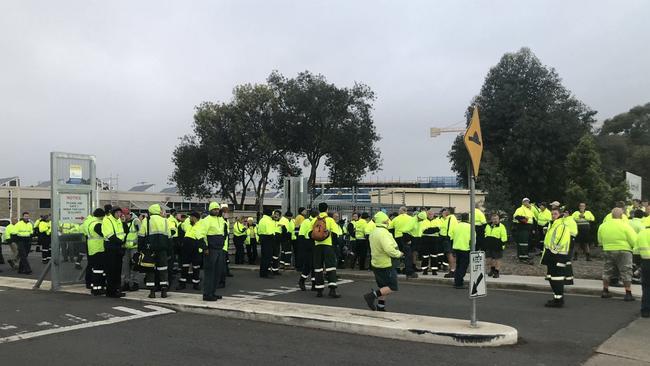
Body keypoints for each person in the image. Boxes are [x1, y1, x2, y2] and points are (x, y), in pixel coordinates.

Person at [363, 211, 404, 311]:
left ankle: (381, 306)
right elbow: (389, 249)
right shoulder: (384, 233)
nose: (388, 221)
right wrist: (399, 254)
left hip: (376, 263)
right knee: (392, 287)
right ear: (384, 221)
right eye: (387, 220)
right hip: (386, 263)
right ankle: (371, 296)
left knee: (383, 287)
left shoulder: (373, 232)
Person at [598, 208, 637, 301]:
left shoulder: (603, 226)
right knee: (626, 270)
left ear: (611, 215)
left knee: (607, 270)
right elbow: (634, 240)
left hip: (608, 249)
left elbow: (600, 240)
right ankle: (628, 293)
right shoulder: (625, 225)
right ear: (622, 215)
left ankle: (605, 290)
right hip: (624, 251)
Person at [138, 204, 172, 299]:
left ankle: (152, 291)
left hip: (150, 249)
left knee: (150, 270)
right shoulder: (165, 220)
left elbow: (141, 235)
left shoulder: (146, 220)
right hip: (163, 249)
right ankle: (164, 290)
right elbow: (169, 237)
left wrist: (140, 249)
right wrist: (170, 251)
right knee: (163, 269)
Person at [307, 202, 341, 298]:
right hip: (328, 246)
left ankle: (319, 290)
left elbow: (310, 234)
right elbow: (335, 234)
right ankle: (332, 289)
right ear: (327, 209)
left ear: (319, 209)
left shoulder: (314, 220)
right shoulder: (330, 220)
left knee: (318, 268)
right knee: (330, 267)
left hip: (317, 246)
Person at [541, 207, 572, 308]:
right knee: (552, 278)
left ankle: (559, 300)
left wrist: (554, 250)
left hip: (558, 255)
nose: (553, 216)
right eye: (552, 214)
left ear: (560, 214)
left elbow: (560, 240)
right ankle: (556, 298)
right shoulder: (553, 225)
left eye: (555, 214)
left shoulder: (562, 225)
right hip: (552, 254)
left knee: (557, 278)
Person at [196, 202, 226, 300]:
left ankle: (212, 292)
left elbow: (224, 232)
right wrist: (205, 248)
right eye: (214, 209)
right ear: (210, 210)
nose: (216, 211)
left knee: (217, 272)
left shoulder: (221, 220)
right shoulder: (206, 220)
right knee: (209, 273)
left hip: (219, 249)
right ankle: (207, 294)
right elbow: (200, 234)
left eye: (217, 209)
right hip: (210, 250)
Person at [102, 207, 126, 298]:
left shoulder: (119, 220)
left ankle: (117, 289)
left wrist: (123, 222)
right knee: (111, 270)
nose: (119, 214)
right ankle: (111, 291)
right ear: (113, 213)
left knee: (117, 270)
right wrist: (121, 242)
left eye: (120, 212)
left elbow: (124, 232)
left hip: (118, 247)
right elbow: (110, 235)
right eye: (117, 213)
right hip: (111, 247)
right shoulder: (107, 220)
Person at [177, 211, 203, 291]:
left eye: (191, 217)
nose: (189, 218)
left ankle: (196, 284)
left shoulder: (201, 224)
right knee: (184, 265)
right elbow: (183, 226)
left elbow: (202, 236)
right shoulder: (188, 224)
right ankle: (182, 284)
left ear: (195, 218)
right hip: (187, 245)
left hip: (195, 245)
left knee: (196, 266)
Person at [389, 207, 418, 278]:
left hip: (397, 238)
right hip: (407, 238)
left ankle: (397, 269)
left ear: (400, 212)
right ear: (406, 211)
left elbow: (390, 228)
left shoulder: (396, 219)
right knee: (408, 255)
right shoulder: (410, 218)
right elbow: (415, 228)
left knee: (398, 254)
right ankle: (407, 271)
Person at [88, 209, 107, 295]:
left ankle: (94, 286)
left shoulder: (91, 222)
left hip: (92, 248)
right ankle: (97, 288)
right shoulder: (98, 224)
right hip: (99, 248)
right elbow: (104, 234)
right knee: (98, 270)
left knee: (94, 269)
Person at [451, 213, 473, 289]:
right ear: (468, 218)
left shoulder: (456, 225)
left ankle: (456, 281)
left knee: (458, 265)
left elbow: (451, 236)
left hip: (456, 248)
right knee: (463, 267)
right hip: (465, 248)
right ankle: (459, 283)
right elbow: (473, 239)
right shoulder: (470, 227)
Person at [121, 208, 141, 292]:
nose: (123, 217)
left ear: (129, 214)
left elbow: (140, 233)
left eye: (124, 215)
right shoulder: (123, 222)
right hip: (126, 247)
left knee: (134, 265)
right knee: (126, 266)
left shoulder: (136, 221)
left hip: (134, 247)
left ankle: (135, 283)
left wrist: (135, 243)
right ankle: (126, 283)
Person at [298, 209, 317, 290]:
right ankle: (302, 281)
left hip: (315, 243)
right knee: (308, 265)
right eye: (315, 212)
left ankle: (314, 284)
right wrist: (303, 247)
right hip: (307, 243)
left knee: (315, 265)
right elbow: (301, 234)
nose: (316, 214)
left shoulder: (318, 222)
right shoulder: (306, 221)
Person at [485, 213, 508, 278]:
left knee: (497, 259)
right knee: (489, 259)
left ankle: (496, 272)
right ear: (491, 219)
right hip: (489, 245)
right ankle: (492, 270)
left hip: (498, 245)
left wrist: (502, 244)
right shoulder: (488, 225)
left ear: (498, 219)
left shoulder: (501, 226)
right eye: (494, 219)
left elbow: (504, 237)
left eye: (496, 219)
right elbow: (485, 233)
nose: (495, 220)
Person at [513, 198, 535, 263]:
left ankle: (525, 255)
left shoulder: (529, 210)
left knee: (526, 242)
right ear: (523, 203)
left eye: (528, 202)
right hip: (522, 227)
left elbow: (532, 219)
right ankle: (522, 257)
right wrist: (524, 219)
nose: (527, 203)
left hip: (528, 228)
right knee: (523, 243)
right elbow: (516, 216)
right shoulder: (520, 209)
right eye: (526, 202)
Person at [420, 209, 441, 275]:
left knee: (434, 255)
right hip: (425, 239)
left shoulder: (438, 220)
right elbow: (423, 230)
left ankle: (434, 270)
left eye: (431, 214)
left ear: (433, 214)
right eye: (429, 214)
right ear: (427, 214)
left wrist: (429, 229)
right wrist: (433, 229)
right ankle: (424, 270)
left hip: (434, 239)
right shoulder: (423, 221)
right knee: (425, 255)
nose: (430, 215)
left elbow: (438, 229)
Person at [635, 225, 650, 317]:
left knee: (647, 287)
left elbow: (636, 251)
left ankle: (645, 310)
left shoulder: (642, 233)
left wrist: (638, 264)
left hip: (646, 262)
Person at [257, 208, 275, 279]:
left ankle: (262, 272)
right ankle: (266, 273)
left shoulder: (262, 220)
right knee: (268, 256)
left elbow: (259, 230)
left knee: (264, 256)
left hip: (262, 238)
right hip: (268, 238)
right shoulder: (268, 220)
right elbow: (269, 231)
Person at [440, 208, 458, 278]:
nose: (444, 212)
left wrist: (447, 237)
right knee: (451, 254)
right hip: (450, 238)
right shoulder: (452, 218)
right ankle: (453, 269)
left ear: (449, 211)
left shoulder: (450, 218)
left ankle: (452, 270)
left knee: (449, 254)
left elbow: (448, 228)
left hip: (448, 238)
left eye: (446, 210)